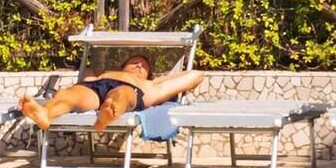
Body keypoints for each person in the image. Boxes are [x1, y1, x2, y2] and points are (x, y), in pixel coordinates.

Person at [14, 49, 205, 133]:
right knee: (69, 94)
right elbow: (85, 75)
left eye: (144, 65)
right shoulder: (102, 74)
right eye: (134, 62)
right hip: (95, 88)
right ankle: (45, 113)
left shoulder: (152, 86)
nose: (139, 64)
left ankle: (109, 112)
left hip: (131, 91)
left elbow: (197, 75)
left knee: (121, 94)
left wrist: (162, 79)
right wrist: (91, 77)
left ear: (149, 75)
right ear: (122, 66)